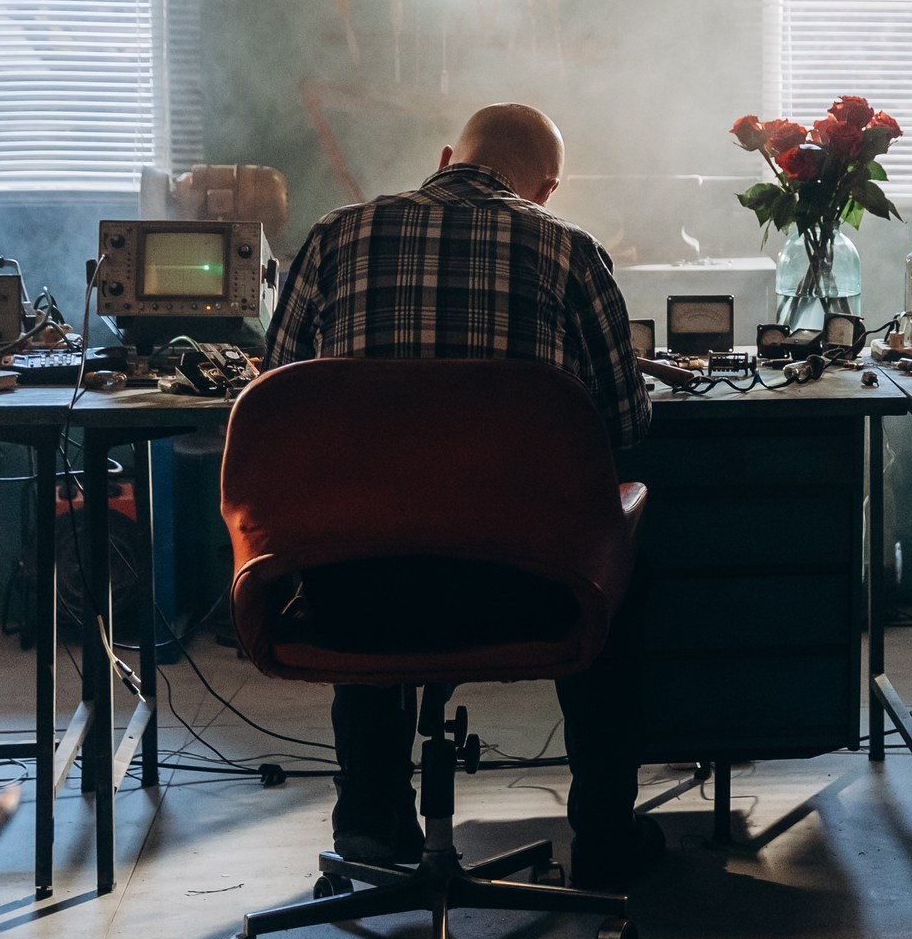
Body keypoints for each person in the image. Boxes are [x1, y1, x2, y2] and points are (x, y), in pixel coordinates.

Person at [262, 102, 663, 889]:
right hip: (526, 595)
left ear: (447, 155)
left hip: (354, 599)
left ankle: (372, 819)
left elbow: (277, 396)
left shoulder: (334, 236)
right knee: (628, 561)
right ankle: (606, 835)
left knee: (364, 523)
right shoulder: (572, 250)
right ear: (546, 189)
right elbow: (624, 422)